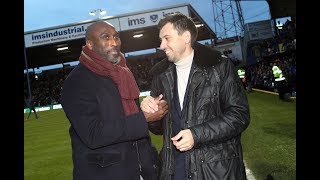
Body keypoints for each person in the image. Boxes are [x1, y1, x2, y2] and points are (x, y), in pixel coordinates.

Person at [141, 13, 250, 180]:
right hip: (174, 169)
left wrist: (196, 135)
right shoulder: (160, 75)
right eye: (160, 40)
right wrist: (151, 113)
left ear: (186, 37)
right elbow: (158, 129)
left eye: (166, 38)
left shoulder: (220, 66)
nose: (162, 45)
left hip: (215, 170)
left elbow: (239, 115)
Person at [60, 21, 168, 180]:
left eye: (116, 37)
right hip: (106, 174)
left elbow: (137, 127)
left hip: (143, 170)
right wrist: (143, 119)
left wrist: (152, 114)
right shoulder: (76, 81)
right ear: (89, 44)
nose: (114, 42)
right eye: (106, 37)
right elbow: (93, 134)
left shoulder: (124, 74)